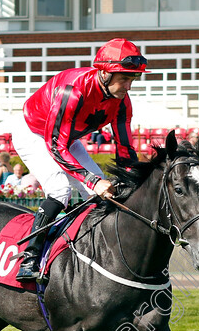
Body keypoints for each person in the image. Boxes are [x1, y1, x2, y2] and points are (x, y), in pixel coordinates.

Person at [10, 38, 144, 281]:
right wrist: (92, 181)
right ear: (105, 72)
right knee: (60, 189)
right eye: (124, 78)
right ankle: (28, 257)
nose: (129, 86)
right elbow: (55, 146)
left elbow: (124, 148)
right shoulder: (72, 90)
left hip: (67, 138)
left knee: (101, 194)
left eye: (133, 79)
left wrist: (134, 180)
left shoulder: (122, 101)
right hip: (34, 134)